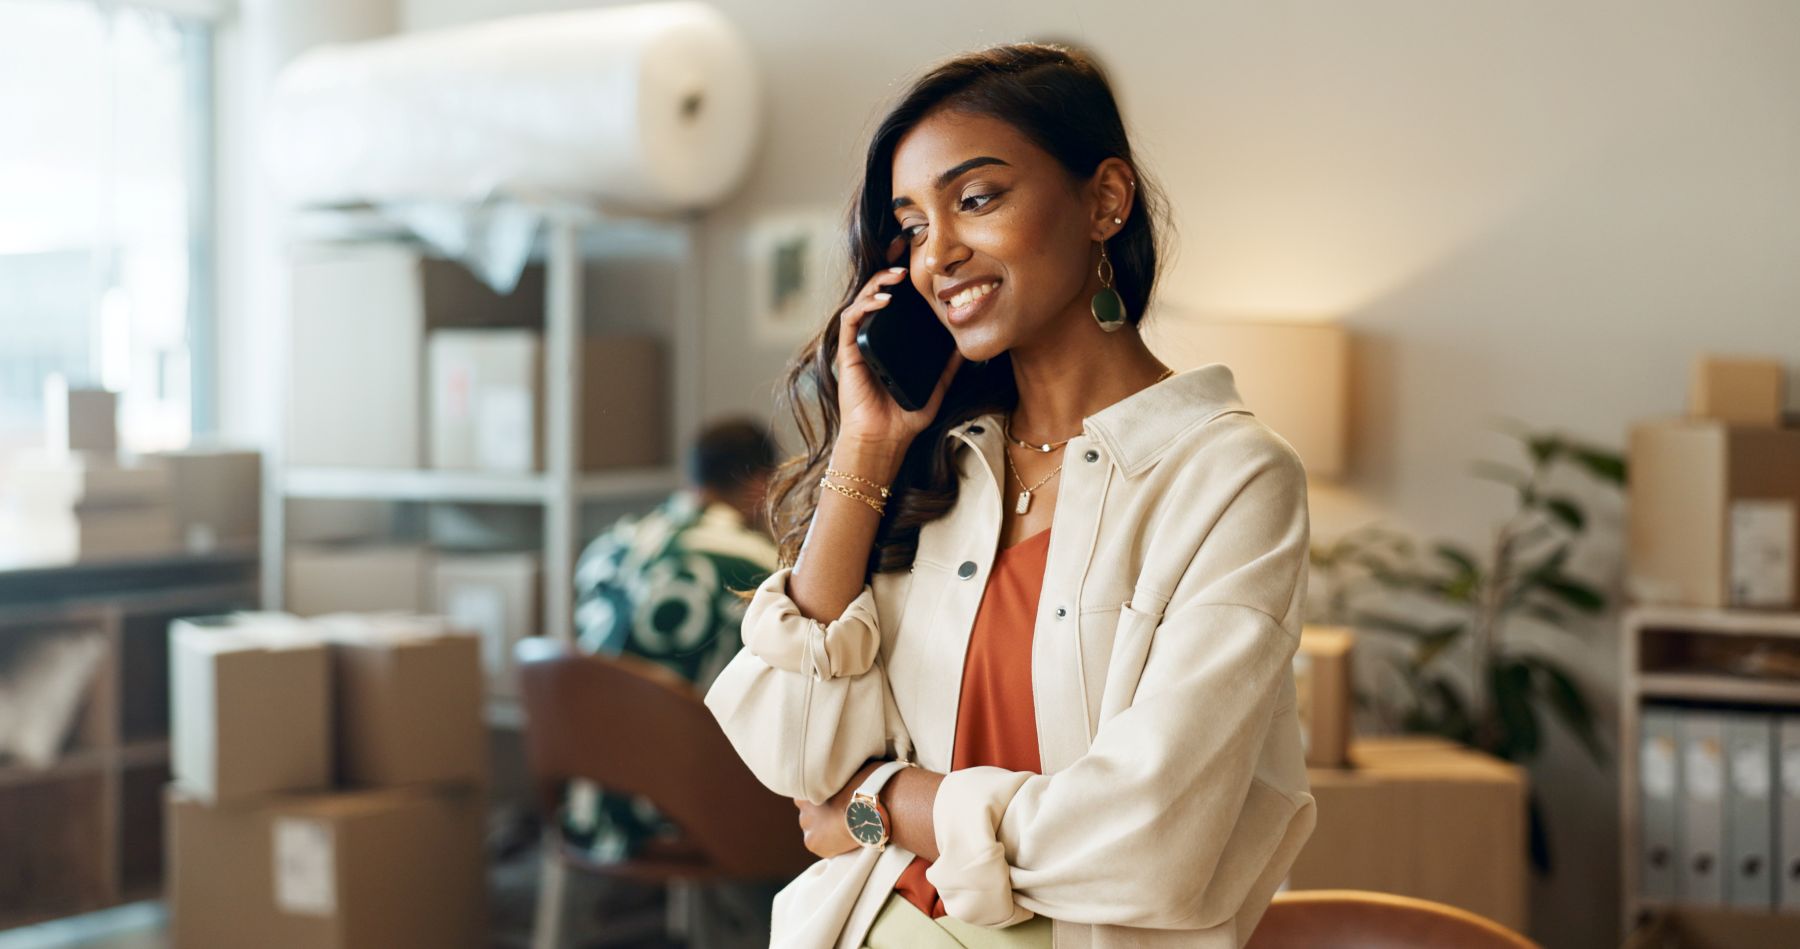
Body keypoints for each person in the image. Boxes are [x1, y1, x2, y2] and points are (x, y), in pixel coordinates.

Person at [704, 43, 1316, 949]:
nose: (937, 254)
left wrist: (886, 801)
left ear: (1105, 200)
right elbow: (797, 759)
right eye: (912, 225)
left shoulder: (1230, 479)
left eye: (977, 199)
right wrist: (869, 448)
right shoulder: (940, 469)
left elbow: (1146, 840)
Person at [564, 416, 781, 861]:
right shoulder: (755, 566)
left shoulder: (608, 547)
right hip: (679, 801)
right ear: (763, 484)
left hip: (589, 787)